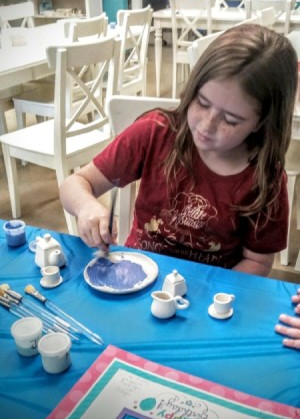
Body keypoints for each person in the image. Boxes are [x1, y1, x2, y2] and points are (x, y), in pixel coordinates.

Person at [59, 24, 298, 277]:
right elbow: (75, 183)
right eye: (202, 102)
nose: (207, 125)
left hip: (209, 292)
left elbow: (258, 262)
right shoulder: (155, 133)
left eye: (231, 120)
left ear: (262, 122)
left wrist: (210, 292)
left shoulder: (265, 178)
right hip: (135, 274)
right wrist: (87, 207)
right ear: (192, 88)